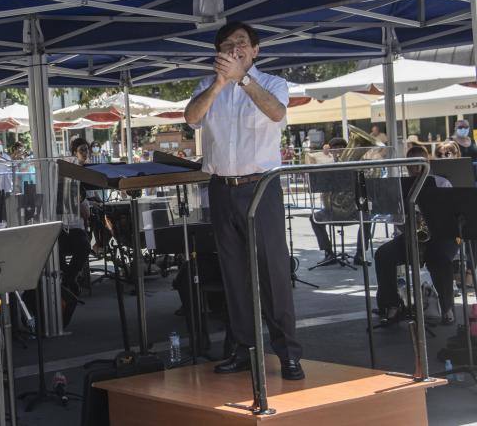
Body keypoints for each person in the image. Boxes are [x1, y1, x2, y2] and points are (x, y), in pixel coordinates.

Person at [184, 21, 303, 380]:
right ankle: (243, 348)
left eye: (240, 43)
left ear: (255, 50)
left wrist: (243, 80)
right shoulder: (208, 85)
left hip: (261, 187)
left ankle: (288, 353)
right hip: (222, 186)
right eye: (226, 44)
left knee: (273, 272)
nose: (233, 48)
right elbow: (191, 118)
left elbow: (277, 113)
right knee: (233, 273)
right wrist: (221, 83)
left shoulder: (272, 83)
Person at [374, 146, 458, 324]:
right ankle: (392, 305)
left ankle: (447, 307)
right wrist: (404, 223)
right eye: (411, 165)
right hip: (411, 236)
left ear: (427, 163)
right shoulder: (400, 187)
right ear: (406, 167)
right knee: (383, 255)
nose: (415, 169)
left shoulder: (441, 183)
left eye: (419, 164)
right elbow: (394, 218)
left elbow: (452, 213)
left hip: (441, 237)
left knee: (441, 259)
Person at [308, 138, 372, 266]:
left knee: (367, 218)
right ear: (331, 150)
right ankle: (328, 253)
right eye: (335, 147)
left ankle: (360, 254)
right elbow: (323, 192)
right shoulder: (327, 165)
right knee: (314, 218)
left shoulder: (355, 166)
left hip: (352, 210)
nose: (339, 150)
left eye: (342, 147)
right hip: (332, 210)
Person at [59, 138, 92, 295]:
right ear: (74, 153)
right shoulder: (71, 174)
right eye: (82, 150)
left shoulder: (88, 171)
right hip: (66, 224)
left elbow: (85, 207)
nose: (86, 153)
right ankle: (68, 279)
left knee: (83, 245)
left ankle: (67, 279)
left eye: (87, 149)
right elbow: (84, 211)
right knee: (58, 250)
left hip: (75, 225)